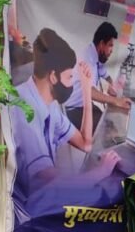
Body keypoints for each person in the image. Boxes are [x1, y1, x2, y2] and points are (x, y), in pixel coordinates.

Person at [10, 28, 120, 206]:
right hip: (31, 207)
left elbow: (85, 144)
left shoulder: (50, 104)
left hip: (45, 195)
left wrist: (86, 90)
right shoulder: (24, 109)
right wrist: (101, 172)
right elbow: (53, 183)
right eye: (69, 77)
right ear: (53, 76)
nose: (71, 84)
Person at [64, 22, 132, 132]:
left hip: (84, 104)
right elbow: (90, 92)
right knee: (107, 129)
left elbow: (103, 72)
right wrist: (115, 101)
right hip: (74, 109)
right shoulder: (87, 59)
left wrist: (111, 84)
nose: (111, 50)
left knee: (108, 122)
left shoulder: (94, 54)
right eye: (110, 45)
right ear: (101, 44)